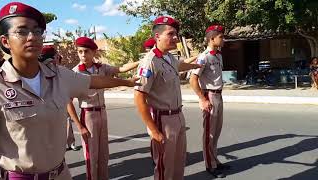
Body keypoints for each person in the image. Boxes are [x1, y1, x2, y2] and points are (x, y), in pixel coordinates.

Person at [0, 2, 139, 180]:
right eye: (22, 31)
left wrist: (127, 83)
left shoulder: (59, 75)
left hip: (61, 173)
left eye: (37, 31)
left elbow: (95, 81)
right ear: (5, 41)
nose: (32, 36)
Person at [134, 16, 201, 180]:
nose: (176, 38)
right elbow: (139, 98)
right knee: (165, 167)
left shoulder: (168, 57)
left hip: (178, 115)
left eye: (176, 34)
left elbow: (180, 65)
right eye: (171, 34)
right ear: (157, 36)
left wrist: (197, 65)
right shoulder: (149, 62)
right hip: (162, 120)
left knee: (179, 162)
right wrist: (154, 130)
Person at [66, 36, 140, 180]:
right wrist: (80, 126)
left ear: (94, 52)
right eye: (80, 52)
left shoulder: (102, 68)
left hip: (102, 112)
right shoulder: (75, 73)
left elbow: (121, 68)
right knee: (91, 155)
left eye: (86, 51)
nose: (82, 55)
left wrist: (141, 61)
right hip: (88, 114)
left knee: (103, 153)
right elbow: (68, 102)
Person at [189, 25, 229, 178]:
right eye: (221, 37)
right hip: (210, 96)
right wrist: (202, 98)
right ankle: (209, 165)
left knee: (216, 132)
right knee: (209, 134)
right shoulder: (203, 57)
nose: (223, 39)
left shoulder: (218, 55)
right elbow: (193, 80)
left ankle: (215, 160)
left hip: (219, 95)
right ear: (212, 38)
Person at [40, 45, 80, 151]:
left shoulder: (62, 72)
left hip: (62, 105)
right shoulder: (39, 75)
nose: (56, 59)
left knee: (67, 121)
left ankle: (70, 142)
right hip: (50, 114)